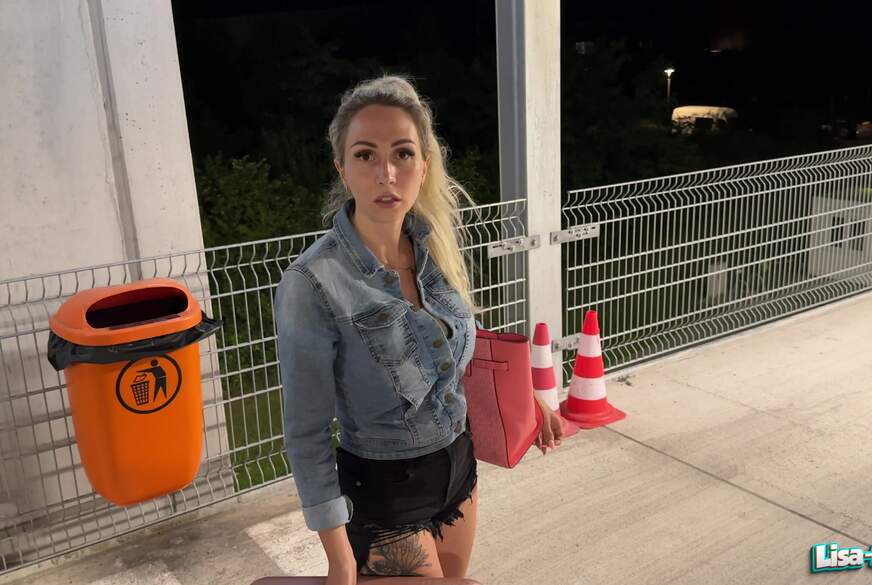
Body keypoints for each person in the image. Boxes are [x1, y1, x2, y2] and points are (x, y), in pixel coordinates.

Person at [275, 75, 564, 584]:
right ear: (342, 168)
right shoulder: (314, 282)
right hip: (384, 495)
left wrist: (526, 397)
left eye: (402, 153)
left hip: (458, 469)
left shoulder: (433, 249)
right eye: (365, 155)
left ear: (424, 166)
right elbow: (306, 432)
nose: (386, 173)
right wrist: (340, 559)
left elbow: (457, 342)